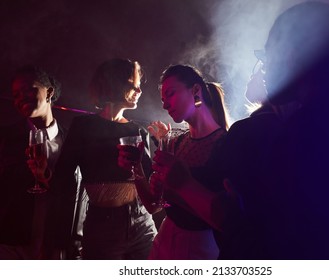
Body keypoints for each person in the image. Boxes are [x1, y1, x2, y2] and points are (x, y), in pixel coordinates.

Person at [224, 1, 329, 259]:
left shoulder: (301, 136)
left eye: (268, 55)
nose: (265, 70)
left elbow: (283, 250)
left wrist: (235, 217)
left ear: (290, 53)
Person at [46, 58, 157, 259]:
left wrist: (162, 147)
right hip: (103, 225)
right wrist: (42, 176)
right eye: (134, 85)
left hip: (142, 222)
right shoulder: (83, 127)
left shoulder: (138, 131)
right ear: (114, 83)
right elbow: (62, 177)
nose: (139, 91)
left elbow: (151, 184)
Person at [118, 64, 229, 259]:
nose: (165, 105)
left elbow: (226, 219)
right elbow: (154, 204)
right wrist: (136, 169)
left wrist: (179, 188)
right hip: (165, 239)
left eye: (170, 94)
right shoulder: (176, 143)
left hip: (201, 249)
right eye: (162, 99)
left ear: (195, 90)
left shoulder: (225, 144)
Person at [0, 65, 64, 259]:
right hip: (12, 243)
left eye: (28, 89)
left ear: (49, 92)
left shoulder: (69, 141)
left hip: (54, 242)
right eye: (16, 95)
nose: (21, 98)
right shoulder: (5, 139)